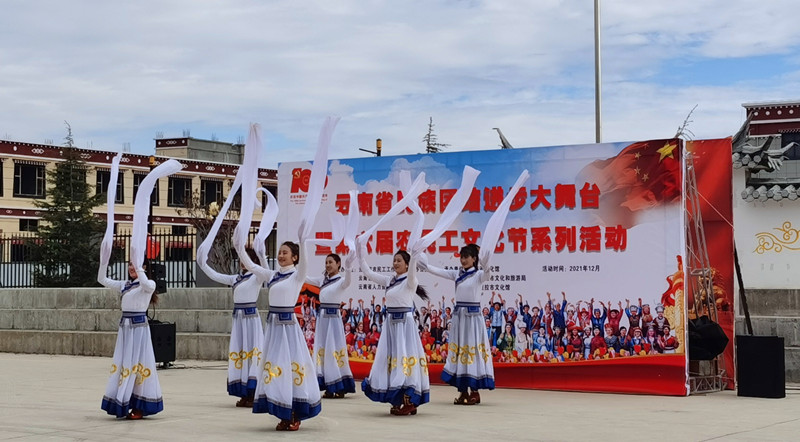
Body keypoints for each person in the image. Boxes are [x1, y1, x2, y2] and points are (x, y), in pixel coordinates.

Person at [243, 241, 321, 431]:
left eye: (285, 252)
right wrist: (239, 247)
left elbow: (305, 264)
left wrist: (302, 241)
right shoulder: (273, 275)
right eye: (279, 252)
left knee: (292, 367)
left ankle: (295, 413)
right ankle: (283, 411)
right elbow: (251, 266)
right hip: (274, 329)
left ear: (294, 257)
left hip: (288, 329)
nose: (280, 255)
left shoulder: (297, 275)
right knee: (276, 368)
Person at [418, 244, 495, 405]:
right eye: (462, 257)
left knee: (472, 351)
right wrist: (426, 266)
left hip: (473, 319)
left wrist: (486, 264)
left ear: (474, 259)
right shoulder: (457, 273)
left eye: (467, 257)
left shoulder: (478, 274)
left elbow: (487, 274)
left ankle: (475, 391)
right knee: (460, 351)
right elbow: (440, 271)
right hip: (460, 318)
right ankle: (463, 391)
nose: (463, 260)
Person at [360, 249, 430, 415]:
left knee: (406, 358)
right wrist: (360, 255)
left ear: (407, 264)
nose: (396, 263)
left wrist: (414, 257)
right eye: (394, 260)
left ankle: (409, 400)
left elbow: (412, 272)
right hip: (391, 325)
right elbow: (368, 273)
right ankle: (398, 399)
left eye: (399, 260)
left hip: (405, 326)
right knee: (394, 360)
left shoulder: (411, 281)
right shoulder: (389, 280)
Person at [198, 248, 266, 408]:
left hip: (250, 320)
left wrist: (262, 254)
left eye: (246, 258)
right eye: (241, 258)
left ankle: (253, 392)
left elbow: (265, 270)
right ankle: (243, 392)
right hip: (239, 320)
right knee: (240, 353)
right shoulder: (236, 278)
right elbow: (216, 276)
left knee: (252, 352)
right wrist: (203, 264)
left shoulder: (257, 277)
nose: (243, 262)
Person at [98, 261, 164, 419]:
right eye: (130, 264)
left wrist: (139, 266)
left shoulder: (149, 284)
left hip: (138, 330)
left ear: (144, 267)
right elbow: (102, 279)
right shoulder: (125, 284)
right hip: (125, 329)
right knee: (124, 363)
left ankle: (139, 406)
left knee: (139, 364)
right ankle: (122, 401)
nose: (131, 268)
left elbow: (145, 283)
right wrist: (104, 261)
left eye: (135, 264)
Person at [306, 253, 356, 399]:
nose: (327, 265)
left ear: (338, 264)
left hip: (333, 319)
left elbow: (348, 281)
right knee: (323, 349)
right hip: (322, 319)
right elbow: (305, 278)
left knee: (334, 349)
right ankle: (329, 385)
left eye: (331, 262)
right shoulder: (322, 280)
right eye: (326, 262)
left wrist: (348, 267)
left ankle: (339, 385)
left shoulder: (341, 281)